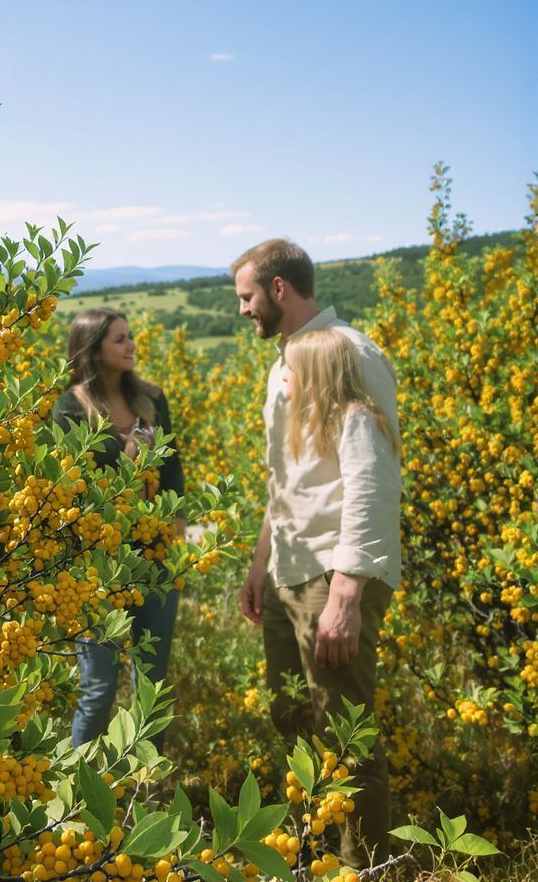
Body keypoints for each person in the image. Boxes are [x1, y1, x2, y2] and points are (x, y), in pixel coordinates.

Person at [231, 239, 400, 871]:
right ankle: (319, 859)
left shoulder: (345, 353)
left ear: (278, 289)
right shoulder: (288, 359)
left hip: (333, 573)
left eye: (247, 296)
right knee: (295, 720)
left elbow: (370, 477)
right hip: (290, 569)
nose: (242, 310)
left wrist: (346, 595)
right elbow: (291, 479)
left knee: (345, 739)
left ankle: (364, 869)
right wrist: (261, 563)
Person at [52, 308, 186, 750]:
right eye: (120, 340)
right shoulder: (70, 407)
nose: (131, 346)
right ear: (92, 351)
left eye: (130, 337)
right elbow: (70, 486)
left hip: (155, 554)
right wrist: (125, 459)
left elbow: (172, 469)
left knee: (152, 684)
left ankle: (148, 789)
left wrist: (177, 526)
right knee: (99, 687)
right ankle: (78, 791)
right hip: (96, 564)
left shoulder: (151, 397)